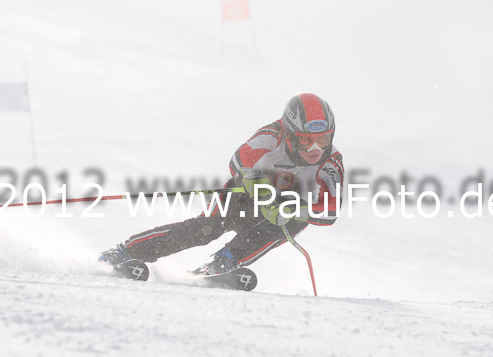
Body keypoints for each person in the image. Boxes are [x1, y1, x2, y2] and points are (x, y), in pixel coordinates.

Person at [99, 93, 344, 276]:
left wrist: (296, 208)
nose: (316, 149)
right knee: (207, 228)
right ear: (290, 134)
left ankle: (224, 262)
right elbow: (239, 160)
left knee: (291, 223)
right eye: (306, 141)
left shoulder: (331, 160)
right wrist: (266, 196)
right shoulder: (273, 135)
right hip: (242, 197)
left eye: (323, 139)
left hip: (282, 213)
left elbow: (332, 209)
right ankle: (125, 252)